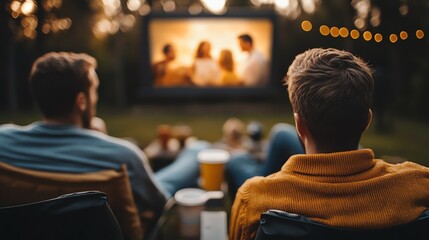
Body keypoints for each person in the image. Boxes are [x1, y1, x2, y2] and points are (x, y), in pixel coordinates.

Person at [229, 48, 429, 240]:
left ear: (299, 125)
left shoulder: (253, 199)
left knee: (237, 161)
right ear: (367, 120)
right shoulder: (420, 183)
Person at [0, 52, 208, 224]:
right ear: (81, 101)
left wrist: (93, 135)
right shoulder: (123, 156)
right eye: (94, 91)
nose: (96, 98)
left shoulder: (3, 140)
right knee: (194, 152)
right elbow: (159, 203)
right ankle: (197, 149)